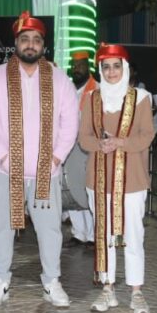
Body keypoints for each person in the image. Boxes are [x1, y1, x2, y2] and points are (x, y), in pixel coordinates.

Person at [0, 11, 79, 308]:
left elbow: (70, 121)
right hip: (4, 169)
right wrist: (5, 158)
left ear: (43, 44)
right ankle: (0, 280)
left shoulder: (60, 80)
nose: (30, 45)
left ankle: (52, 282)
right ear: (16, 44)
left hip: (47, 171)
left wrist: (57, 158)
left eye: (36, 40)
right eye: (25, 40)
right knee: (1, 226)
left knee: (50, 229)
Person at [78, 44, 153, 313]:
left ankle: (136, 291)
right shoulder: (92, 98)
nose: (111, 72)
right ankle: (107, 288)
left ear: (126, 68)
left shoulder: (141, 98)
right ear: (100, 69)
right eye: (106, 66)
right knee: (104, 233)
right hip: (98, 180)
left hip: (132, 179)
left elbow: (147, 135)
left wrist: (121, 142)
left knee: (133, 234)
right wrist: (101, 144)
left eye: (116, 66)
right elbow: (83, 137)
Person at [63, 50, 96, 247]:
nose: (76, 69)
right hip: (70, 147)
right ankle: (78, 233)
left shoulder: (97, 90)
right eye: (74, 66)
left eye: (80, 65)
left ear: (88, 66)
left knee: (87, 192)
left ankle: (92, 235)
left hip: (88, 150)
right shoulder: (68, 89)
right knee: (73, 190)